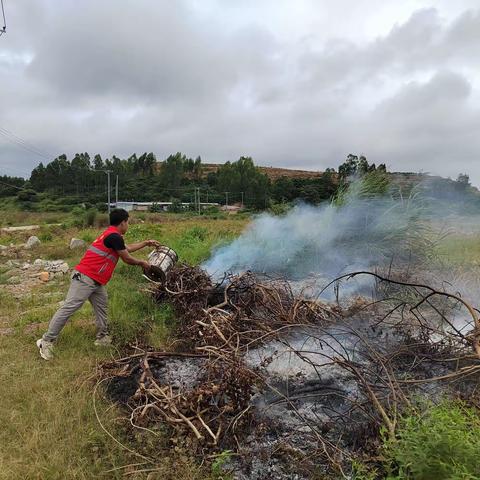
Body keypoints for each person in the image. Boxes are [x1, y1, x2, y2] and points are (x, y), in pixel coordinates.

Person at [37, 208, 159, 360]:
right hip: (85, 278)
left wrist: (146, 243)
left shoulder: (113, 235)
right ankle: (46, 341)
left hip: (96, 281)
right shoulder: (114, 236)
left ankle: (102, 338)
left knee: (102, 307)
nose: (128, 225)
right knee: (69, 307)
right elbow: (127, 258)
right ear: (123, 223)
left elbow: (127, 248)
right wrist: (143, 263)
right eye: (128, 222)